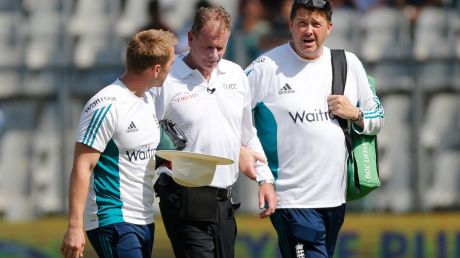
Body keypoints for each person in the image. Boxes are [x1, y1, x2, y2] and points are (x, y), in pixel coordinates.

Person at [244, 0, 384, 257]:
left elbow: (377, 117)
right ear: (291, 25)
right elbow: (234, 116)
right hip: (291, 202)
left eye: (316, 24)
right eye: (302, 23)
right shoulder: (265, 67)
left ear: (329, 27)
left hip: (335, 200)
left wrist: (355, 114)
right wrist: (262, 174)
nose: (308, 30)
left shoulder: (347, 63)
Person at [151, 6, 277, 258]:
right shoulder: (166, 78)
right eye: (208, 47)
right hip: (182, 195)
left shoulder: (236, 74)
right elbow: (145, 136)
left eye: (221, 47)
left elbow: (247, 133)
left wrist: (265, 179)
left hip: (224, 199)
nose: (215, 55)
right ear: (191, 39)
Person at [60, 29, 176, 258]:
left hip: (144, 217)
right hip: (112, 217)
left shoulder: (148, 100)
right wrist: (75, 227)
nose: (172, 70)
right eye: (171, 64)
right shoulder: (105, 105)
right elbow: (82, 166)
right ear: (156, 69)